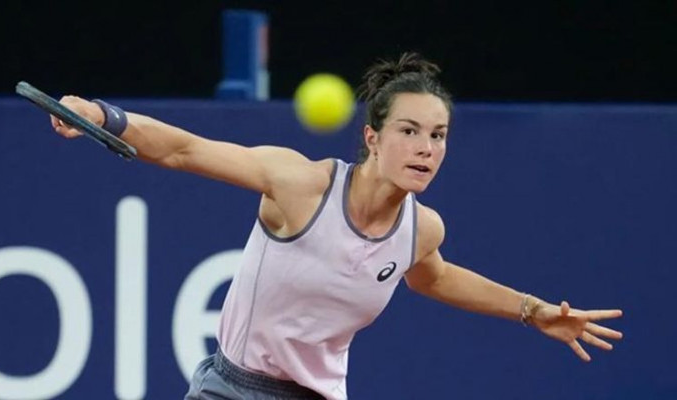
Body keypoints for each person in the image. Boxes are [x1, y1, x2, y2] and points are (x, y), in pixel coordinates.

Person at [51, 53, 622, 400]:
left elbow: (436, 278)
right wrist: (105, 116)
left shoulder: (422, 230)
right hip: (233, 390)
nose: (426, 148)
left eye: (438, 135)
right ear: (373, 137)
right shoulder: (300, 185)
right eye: (409, 131)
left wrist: (532, 310)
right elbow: (184, 150)